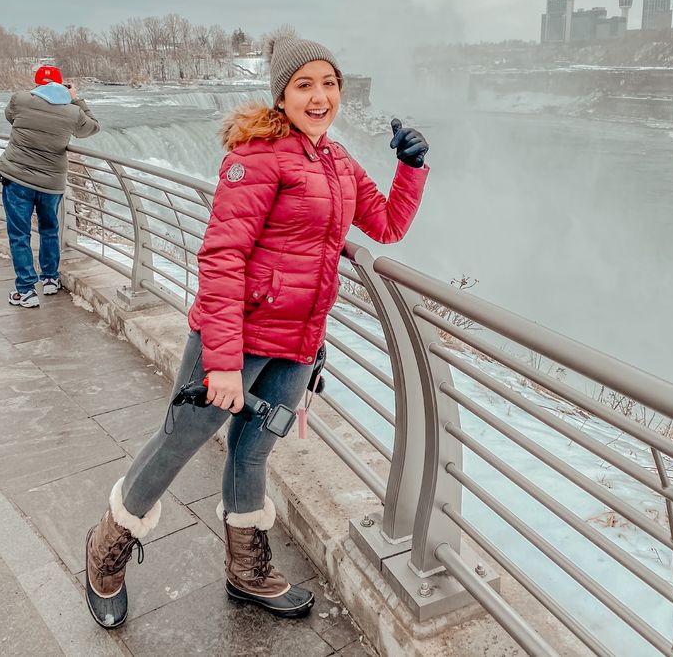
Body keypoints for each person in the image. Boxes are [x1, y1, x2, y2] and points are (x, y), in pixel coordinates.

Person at [84, 33, 430, 629]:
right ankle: (105, 549)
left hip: (297, 344)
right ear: (282, 94)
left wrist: (411, 167)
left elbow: (389, 225)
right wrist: (220, 359)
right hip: (235, 342)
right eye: (305, 85)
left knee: (253, 453)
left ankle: (246, 571)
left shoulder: (339, 162)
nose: (319, 97)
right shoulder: (258, 154)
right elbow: (222, 255)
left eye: (330, 84)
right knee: (178, 442)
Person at [0, 65, 100, 308]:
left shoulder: (20, 100)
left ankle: (26, 290)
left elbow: (10, 117)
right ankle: (50, 278)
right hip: (51, 184)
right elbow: (93, 127)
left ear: (36, 84)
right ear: (62, 85)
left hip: (17, 178)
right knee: (49, 229)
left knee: (19, 234)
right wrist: (77, 99)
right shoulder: (72, 113)